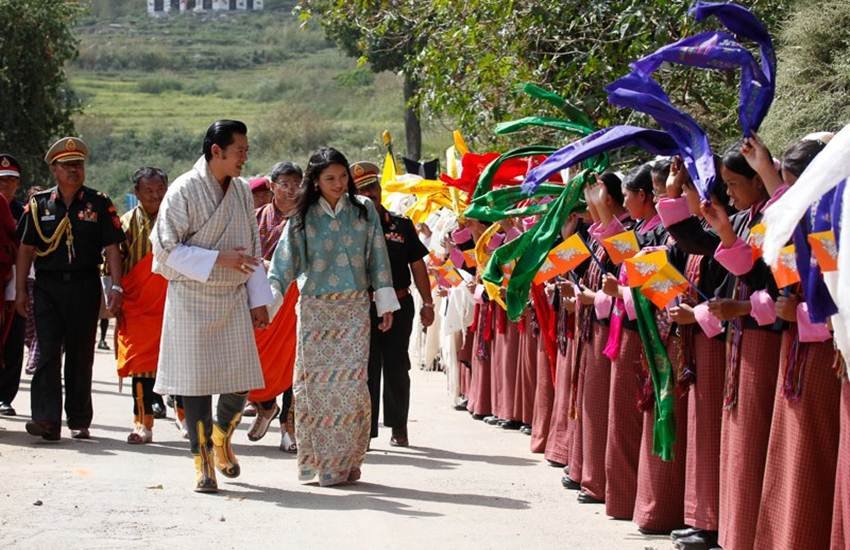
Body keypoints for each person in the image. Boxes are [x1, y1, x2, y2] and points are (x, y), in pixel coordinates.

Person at [150, 120, 272, 493]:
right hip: (191, 297)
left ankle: (221, 437)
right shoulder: (183, 189)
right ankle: (202, 461)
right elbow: (165, 249)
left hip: (232, 296)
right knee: (195, 386)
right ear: (216, 151)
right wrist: (219, 258)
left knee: (241, 382)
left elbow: (252, 248)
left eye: (246, 151)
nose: (244, 157)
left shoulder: (240, 190)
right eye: (239, 151)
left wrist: (259, 298)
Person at [269, 146, 399, 486]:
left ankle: (348, 461)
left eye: (342, 177)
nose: (339, 183)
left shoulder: (364, 210)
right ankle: (319, 464)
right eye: (330, 178)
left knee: (352, 388)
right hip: (315, 310)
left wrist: (384, 303)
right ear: (315, 181)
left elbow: (378, 256)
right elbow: (284, 263)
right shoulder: (302, 215)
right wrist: (268, 300)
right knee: (315, 390)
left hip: (355, 309)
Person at [15, 137, 126, 441]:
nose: (74, 170)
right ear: (54, 169)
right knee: (47, 351)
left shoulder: (98, 202)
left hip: (84, 285)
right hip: (47, 287)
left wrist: (116, 286)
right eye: (67, 165)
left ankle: (78, 419)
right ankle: (46, 420)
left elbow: (112, 247)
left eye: (78, 164)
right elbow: (25, 249)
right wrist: (21, 290)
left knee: (80, 353)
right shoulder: (38, 205)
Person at [352, 160, 433, 447]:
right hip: (364, 307)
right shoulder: (350, 227)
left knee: (397, 367)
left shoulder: (401, 224)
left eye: (373, 186)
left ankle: (399, 426)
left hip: (399, 304)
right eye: (362, 189)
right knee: (367, 369)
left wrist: (428, 302)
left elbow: (417, 265)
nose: (370, 193)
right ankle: (366, 430)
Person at [246, 161, 301, 452]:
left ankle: (289, 429)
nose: (291, 190)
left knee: (292, 362)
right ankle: (266, 406)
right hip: (258, 299)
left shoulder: (307, 220)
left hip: (294, 299)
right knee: (252, 362)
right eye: (285, 184)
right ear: (272, 186)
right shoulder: (255, 218)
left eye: (296, 184)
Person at [114, 167, 169, 444]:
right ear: (136, 192)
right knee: (140, 365)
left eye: (160, 190)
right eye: (148, 191)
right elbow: (113, 262)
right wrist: (113, 294)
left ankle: (185, 418)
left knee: (179, 362)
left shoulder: (177, 220)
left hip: (172, 303)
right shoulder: (125, 224)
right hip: (138, 306)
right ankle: (142, 423)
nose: (155, 196)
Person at [0, 154, 25, 416]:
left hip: (16, 284)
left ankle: (5, 396)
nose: (6, 184)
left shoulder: (25, 212)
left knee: (13, 340)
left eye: (11, 180)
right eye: (2, 180)